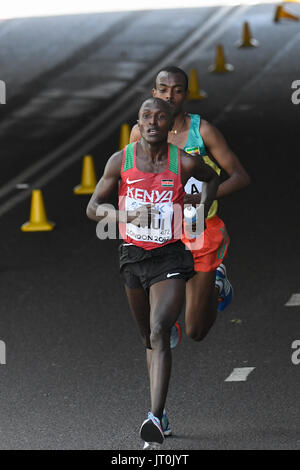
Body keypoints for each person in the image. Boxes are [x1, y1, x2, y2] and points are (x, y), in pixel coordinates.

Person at [86, 97, 219, 449]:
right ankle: (161, 414)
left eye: (160, 116)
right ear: (138, 123)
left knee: (161, 330)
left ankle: (154, 418)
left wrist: (200, 206)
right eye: (146, 116)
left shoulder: (184, 162)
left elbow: (213, 177)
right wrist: (121, 217)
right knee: (147, 336)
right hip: (132, 256)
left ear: (167, 122)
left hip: (170, 256)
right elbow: (92, 208)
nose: (153, 122)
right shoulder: (121, 160)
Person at [130, 66, 251, 347]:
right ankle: (162, 332)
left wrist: (206, 196)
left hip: (199, 231)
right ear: (153, 93)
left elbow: (240, 176)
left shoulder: (203, 131)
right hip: (163, 235)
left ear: (186, 94)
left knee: (197, 330)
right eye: (163, 89)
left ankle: (217, 282)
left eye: (177, 90)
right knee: (157, 315)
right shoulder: (140, 133)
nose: (169, 96)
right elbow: (134, 181)